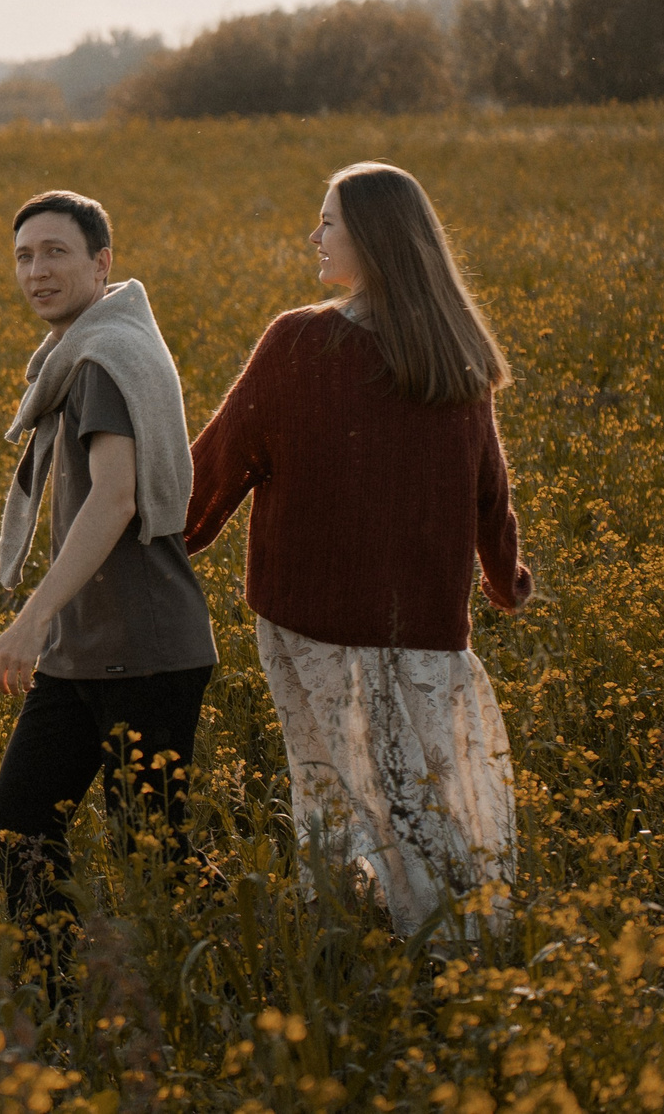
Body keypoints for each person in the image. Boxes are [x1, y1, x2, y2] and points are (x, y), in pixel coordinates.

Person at [184, 161, 536, 943]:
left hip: (309, 618)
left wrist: (167, 534)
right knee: (426, 789)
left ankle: (365, 935)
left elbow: (221, 462)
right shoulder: (455, 351)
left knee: (336, 784)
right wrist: (504, 575)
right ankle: (457, 939)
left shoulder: (300, 340)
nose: (314, 236)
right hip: (426, 630)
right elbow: (491, 487)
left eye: (328, 221)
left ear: (371, 239)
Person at [0, 190, 216, 996]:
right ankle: (57, 997)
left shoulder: (103, 361)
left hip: (144, 650)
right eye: (24, 256)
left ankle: (208, 997)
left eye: (56, 253)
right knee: (20, 819)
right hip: (88, 651)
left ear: (102, 261)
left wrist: (30, 619)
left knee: (154, 852)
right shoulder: (103, 345)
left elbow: (114, 499)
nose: (37, 271)